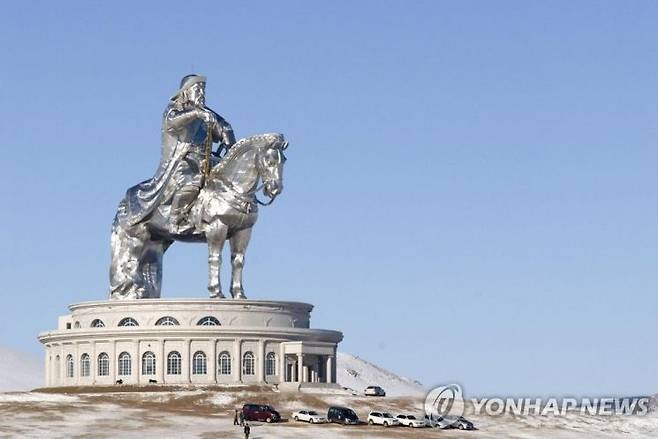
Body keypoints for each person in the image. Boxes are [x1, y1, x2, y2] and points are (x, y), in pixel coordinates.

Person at [121, 74, 235, 231]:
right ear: (186, 92)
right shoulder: (174, 110)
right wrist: (196, 113)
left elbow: (224, 127)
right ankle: (175, 220)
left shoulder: (207, 113)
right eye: (197, 90)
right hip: (184, 161)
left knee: (230, 179)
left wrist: (229, 142)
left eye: (203, 90)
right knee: (192, 181)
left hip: (207, 160)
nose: (201, 94)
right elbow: (173, 123)